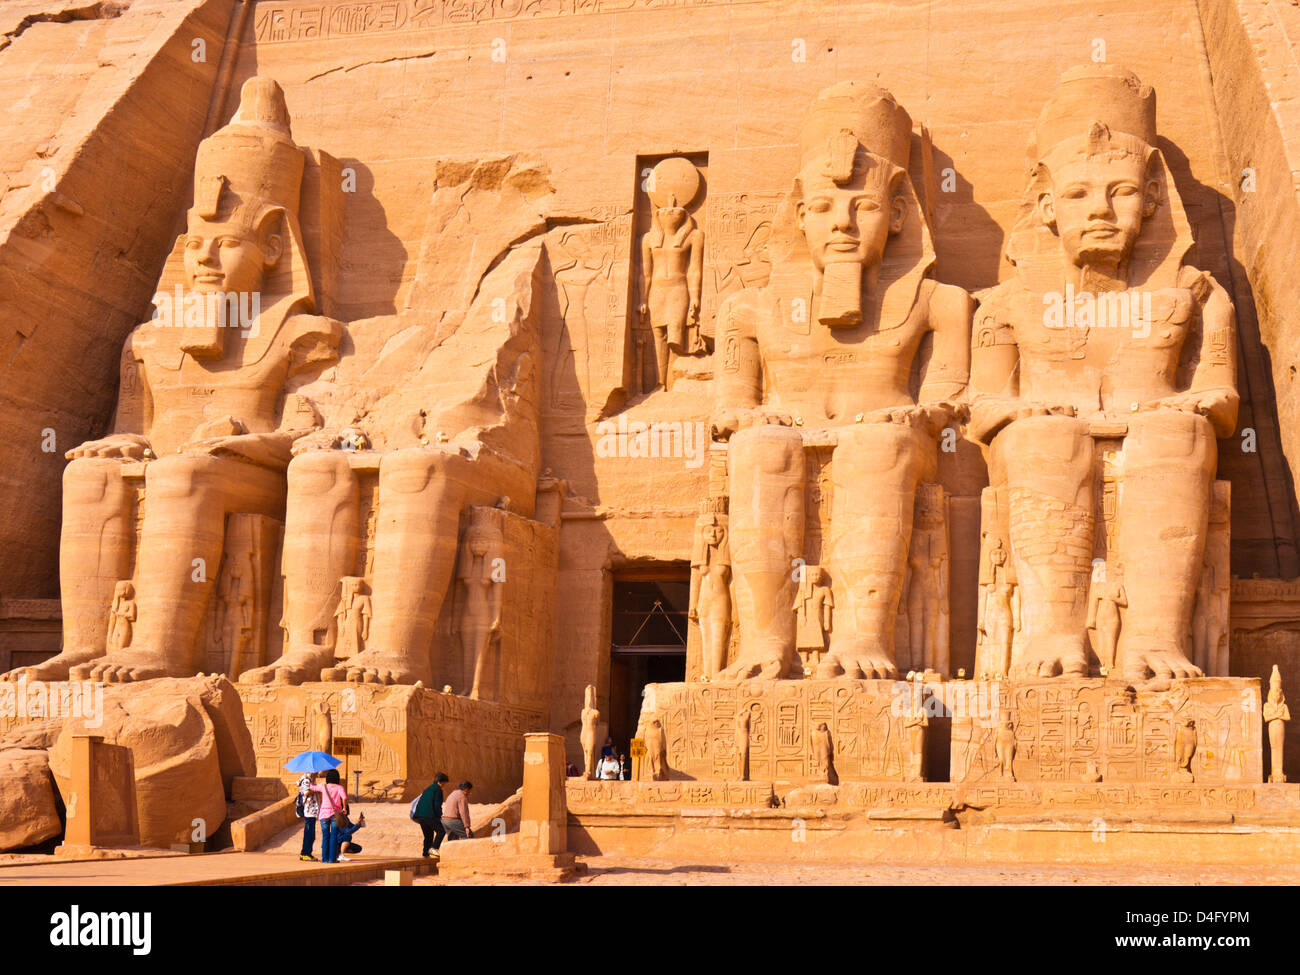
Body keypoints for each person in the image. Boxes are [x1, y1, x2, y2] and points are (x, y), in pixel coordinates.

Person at [308, 768, 349, 863]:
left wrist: (312, 777)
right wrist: (344, 808)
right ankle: (332, 859)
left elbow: (312, 787)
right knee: (334, 836)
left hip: (324, 813)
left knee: (325, 836)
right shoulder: (339, 787)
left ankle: (324, 858)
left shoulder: (323, 786)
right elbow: (345, 798)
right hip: (336, 814)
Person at [413, 772, 449, 857]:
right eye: (444, 783)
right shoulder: (438, 789)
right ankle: (434, 848)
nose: (444, 785)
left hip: (420, 816)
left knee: (428, 835)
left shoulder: (428, 788)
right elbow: (437, 805)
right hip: (429, 815)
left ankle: (425, 854)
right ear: (440, 781)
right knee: (441, 831)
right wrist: (440, 816)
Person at [296, 771, 320, 861]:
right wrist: (315, 789)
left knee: (311, 834)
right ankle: (305, 853)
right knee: (309, 833)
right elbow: (306, 793)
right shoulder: (306, 780)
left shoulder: (311, 780)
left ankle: (307, 853)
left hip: (312, 810)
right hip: (309, 810)